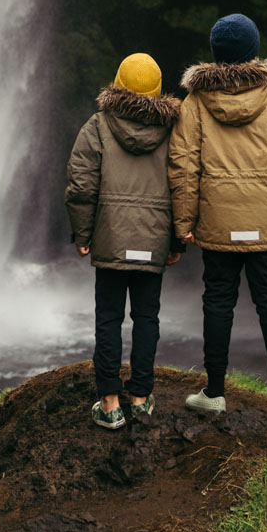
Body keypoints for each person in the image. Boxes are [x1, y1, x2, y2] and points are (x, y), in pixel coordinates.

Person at [169, 13, 267, 418]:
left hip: (217, 222)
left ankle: (214, 393)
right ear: (253, 52)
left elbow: (183, 167)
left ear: (216, 55)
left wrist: (183, 224)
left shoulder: (194, 105)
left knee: (218, 301)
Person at [65, 52, 182, 429]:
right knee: (147, 317)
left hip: (111, 239)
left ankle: (111, 403)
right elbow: (185, 186)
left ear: (117, 82)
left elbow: (81, 185)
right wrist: (177, 241)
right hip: (154, 238)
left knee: (109, 318)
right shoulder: (176, 130)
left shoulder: (98, 125)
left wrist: (83, 234)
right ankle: (142, 398)